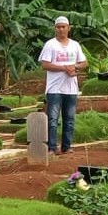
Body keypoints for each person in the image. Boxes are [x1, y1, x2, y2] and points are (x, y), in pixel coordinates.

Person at [38, 16, 87, 154]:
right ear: (55, 28)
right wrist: (65, 68)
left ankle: (67, 146)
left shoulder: (75, 45)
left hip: (71, 88)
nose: (61, 29)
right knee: (53, 118)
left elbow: (84, 63)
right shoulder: (50, 45)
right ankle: (52, 147)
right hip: (54, 88)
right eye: (58, 27)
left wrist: (75, 67)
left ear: (68, 28)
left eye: (63, 26)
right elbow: (45, 64)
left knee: (69, 119)